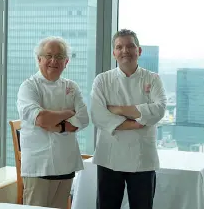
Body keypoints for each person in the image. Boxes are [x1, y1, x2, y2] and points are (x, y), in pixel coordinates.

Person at [91, 29, 167, 209]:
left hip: (142, 158)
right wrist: (135, 123)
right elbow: (98, 115)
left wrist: (118, 109)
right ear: (114, 53)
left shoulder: (153, 79)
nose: (125, 50)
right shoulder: (102, 80)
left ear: (139, 51)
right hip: (109, 156)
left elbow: (160, 109)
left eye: (130, 46)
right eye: (119, 47)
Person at [17, 36, 89, 209]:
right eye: (48, 56)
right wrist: (68, 112)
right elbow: (41, 119)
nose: (53, 61)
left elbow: (83, 118)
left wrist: (59, 125)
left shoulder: (71, 87)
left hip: (65, 162)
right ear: (39, 59)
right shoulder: (29, 87)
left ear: (66, 62)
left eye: (59, 57)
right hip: (39, 165)